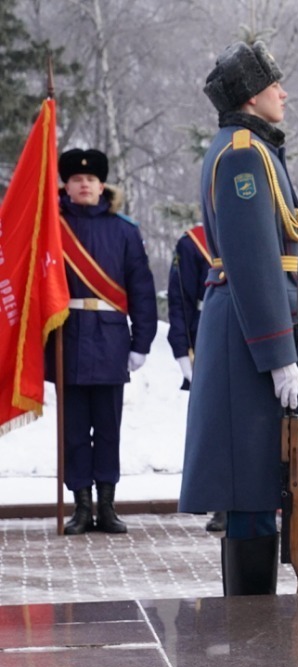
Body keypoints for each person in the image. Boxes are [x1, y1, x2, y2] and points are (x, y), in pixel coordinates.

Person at [180, 39, 298, 593]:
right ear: (249, 95)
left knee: (266, 478)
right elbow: (252, 260)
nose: (283, 93)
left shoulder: (255, 149)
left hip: (262, 326)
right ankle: (249, 616)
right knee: (253, 482)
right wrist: (277, 354)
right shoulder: (243, 152)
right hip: (252, 333)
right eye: (274, 86)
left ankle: (255, 610)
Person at [50, 148, 158, 536]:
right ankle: (81, 507)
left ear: (101, 185)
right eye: (77, 180)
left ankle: (107, 506)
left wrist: (141, 342)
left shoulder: (124, 229)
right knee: (74, 429)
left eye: (91, 180)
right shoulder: (51, 227)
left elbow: (141, 289)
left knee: (108, 427)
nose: (84, 185)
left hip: (111, 339)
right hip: (68, 337)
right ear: (66, 185)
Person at [166, 222, 226, 533]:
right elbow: (182, 301)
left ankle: (257, 499)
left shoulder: (261, 225)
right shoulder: (193, 242)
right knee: (214, 425)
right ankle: (221, 503)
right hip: (211, 337)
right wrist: (182, 348)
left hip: (255, 337)